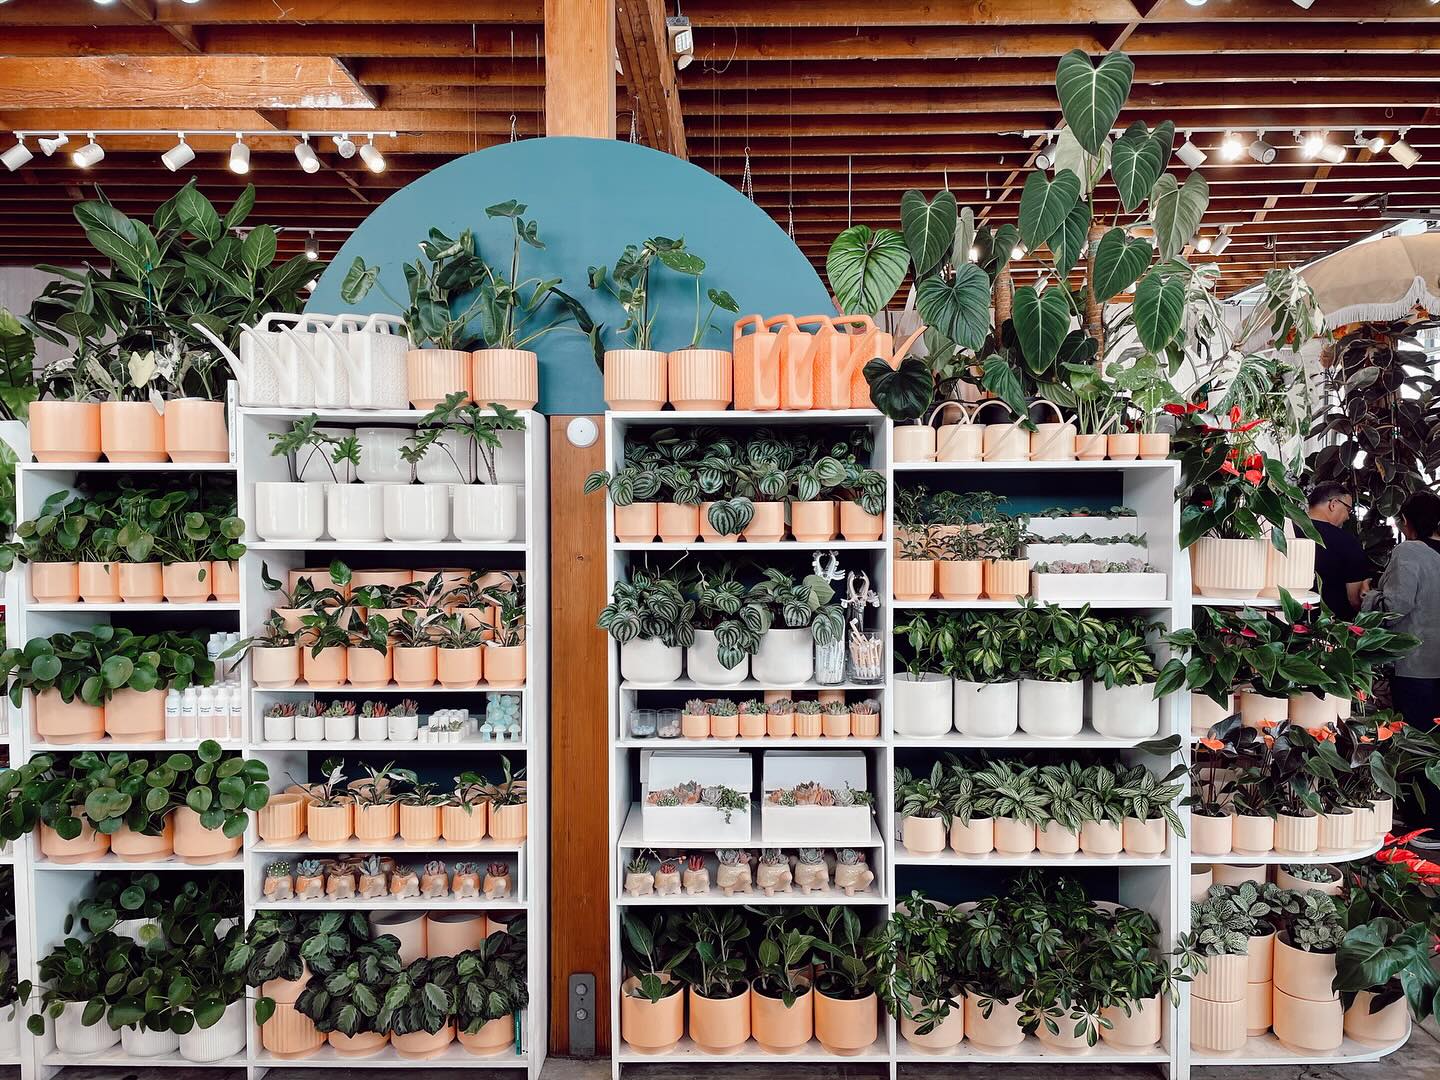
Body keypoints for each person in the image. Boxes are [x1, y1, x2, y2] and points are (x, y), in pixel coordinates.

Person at [1361, 490, 1440, 730]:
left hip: (1417, 666)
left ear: (1405, 520)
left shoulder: (1409, 552)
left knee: (1417, 741)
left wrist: (1370, 596)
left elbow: (1394, 608)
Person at [1307, 481, 1372, 618]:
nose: (1348, 517)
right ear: (1333, 504)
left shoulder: (1284, 532)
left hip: (1287, 622)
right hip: (1331, 629)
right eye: (1348, 510)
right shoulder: (1346, 541)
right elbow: (1355, 599)